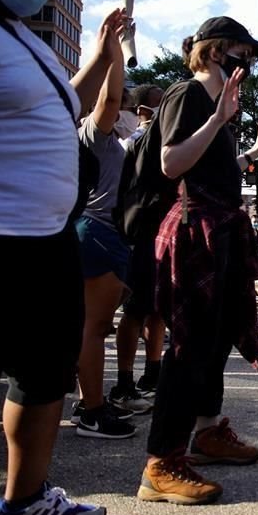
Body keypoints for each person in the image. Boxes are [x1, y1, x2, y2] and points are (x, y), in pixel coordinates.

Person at [0, 0, 119, 515]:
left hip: (46, 243)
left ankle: (24, 503)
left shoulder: (21, 38)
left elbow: (63, 103)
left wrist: (101, 52)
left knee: (43, 376)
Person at [138, 16, 258, 505]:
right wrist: (217, 119)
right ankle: (161, 462)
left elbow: (213, 166)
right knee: (189, 345)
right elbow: (171, 162)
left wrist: (250, 148)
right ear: (218, 53)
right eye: (244, 53)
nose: (250, 63)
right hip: (195, 232)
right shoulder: (187, 95)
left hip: (220, 229)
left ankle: (208, 430)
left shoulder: (218, 106)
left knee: (214, 340)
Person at [71, 4, 144, 439]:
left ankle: (92, 402)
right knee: (94, 327)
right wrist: (114, 52)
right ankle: (91, 408)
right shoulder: (93, 134)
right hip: (96, 234)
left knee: (96, 326)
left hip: (108, 236)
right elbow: (110, 99)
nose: (126, 106)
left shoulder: (118, 140)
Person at [112, 83, 166, 401]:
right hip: (137, 234)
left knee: (156, 310)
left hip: (162, 234)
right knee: (134, 310)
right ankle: (124, 378)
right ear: (143, 111)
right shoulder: (131, 143)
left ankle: (153, 372)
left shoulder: (169, 142)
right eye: (160, 105)